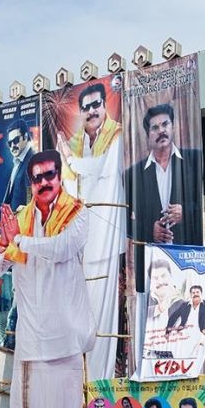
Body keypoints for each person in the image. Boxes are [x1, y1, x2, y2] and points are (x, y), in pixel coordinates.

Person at [0, 149, 96, 408]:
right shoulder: (21, 219)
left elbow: (61, 248)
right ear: (31, 184)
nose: (44, 182)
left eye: (50, 175)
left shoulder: (79, 213)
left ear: (59, 177)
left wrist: (18, 240)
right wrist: (5, 243)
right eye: (38, 178)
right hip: (31, 348)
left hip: (65, 345)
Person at [56, 81, 125, 380]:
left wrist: (71, 162)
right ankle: (82, 383)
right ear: (81, 113)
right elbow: (70, 185)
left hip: (108, 234)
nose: (92, 111)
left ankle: (102, 380)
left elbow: (102, 170)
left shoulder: (117, 134)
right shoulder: (72, 144)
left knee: (109, 313)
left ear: (104, 107)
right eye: (86, 108)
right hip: (83, 239)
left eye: (97, 105)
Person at [126, 103, 204, 291]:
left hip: (189, 260)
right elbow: (126, 223)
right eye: (155, 127)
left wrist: (187, 212)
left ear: (173, 127)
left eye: (165, 124)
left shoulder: (195, 160)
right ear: (148, 135)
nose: (161, 131)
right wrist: (148, 232)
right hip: (152, 264)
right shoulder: (132, 175)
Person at [1, 124, 35, 211]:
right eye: (9, 143)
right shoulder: (18, 161)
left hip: (24, 220)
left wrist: (28, 207)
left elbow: (30, 188)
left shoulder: (32, 159)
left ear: (26, 137)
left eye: (16, 140)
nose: (12, 146)